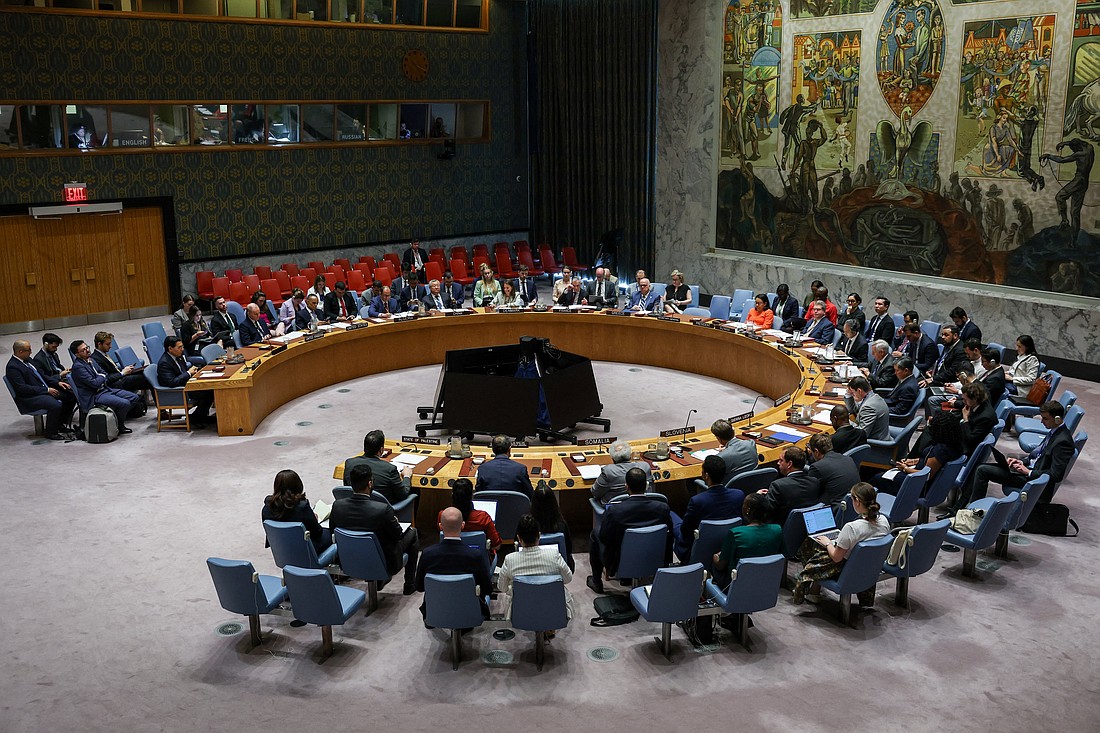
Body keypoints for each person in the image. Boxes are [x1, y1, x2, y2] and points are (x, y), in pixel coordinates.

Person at [950, 400, 1074, 512]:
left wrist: (1028, 472)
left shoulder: (1063, 441)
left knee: (982, 470)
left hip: (1033, 480)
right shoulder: (1054, 432)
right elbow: (1038, 456)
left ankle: (973, 512)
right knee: (981, 468)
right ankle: (968, 507)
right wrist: (1021, 462)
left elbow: (1056, 475)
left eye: (1045, 419)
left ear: (1057, 419)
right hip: (1027, 471)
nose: (1042, 422)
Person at [791, 482, 890, 604]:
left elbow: (836, 558)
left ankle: (809, 589)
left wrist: (828, 543)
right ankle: (814, 590)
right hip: (869, 565)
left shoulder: (851, 527)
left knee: (813, 544)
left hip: (846, 567)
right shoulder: (884, 521)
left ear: (857, 501)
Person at [329, 463, 420, 595]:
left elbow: (333, 531)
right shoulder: (382, 509)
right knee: (413, 532)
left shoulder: (337, 506)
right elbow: (398, 535)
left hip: (349, 560)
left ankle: (381, 580)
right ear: (370, 483)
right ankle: (409, 584)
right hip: (384, 562)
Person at [587, 467, 672, 594]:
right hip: (654, 556)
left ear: (626, 486)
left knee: (595, 534)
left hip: (620, 562)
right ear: (647, 485)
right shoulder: (662, 508)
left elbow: (604, 538)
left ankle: (597, 582)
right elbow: (669, 536)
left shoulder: (615, 511)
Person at [415, 506, 492, 624]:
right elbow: (487, 588)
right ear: (463, 525)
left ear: (440, 526)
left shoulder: (427, 554)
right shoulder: (475, 556)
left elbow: (419, 587)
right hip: (469, 612)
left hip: (435, 611)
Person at [498, 514, 575, 621]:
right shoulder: (554, 555)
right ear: (539, 536)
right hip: (553, 610)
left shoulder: (509, 560)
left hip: (522, 613)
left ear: (519, 538)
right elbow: (568, 579)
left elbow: (502, 587)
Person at [673, 455, 744, 561]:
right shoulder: (739, 495)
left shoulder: (697, 501)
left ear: (706, 475)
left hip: (696, 548)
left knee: (670, 514)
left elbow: (685, 530)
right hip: (724, 546)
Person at [876, 411, 964, 495]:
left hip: (917, 485)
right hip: (921, 479)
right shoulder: (955, 444)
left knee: (877, 478)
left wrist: (905, 468)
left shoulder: (940, 450)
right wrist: (913, 461)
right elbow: (930, 462)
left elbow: (925, 475)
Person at [69, 339, 144, 434]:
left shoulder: (91, 360)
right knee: (124, 403)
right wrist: (101, 376)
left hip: (104, 389)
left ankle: (114, 421)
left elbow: (103, 373)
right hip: (94, 395)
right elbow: (95, 383)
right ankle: (119, 426)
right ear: (77, 354)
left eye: (87, 347)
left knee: (134, 398)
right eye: (83, 350)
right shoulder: (78, 367)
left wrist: (101, 376)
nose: (87, 350)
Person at [712, 492, 783, 589]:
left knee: (713, 562)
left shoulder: (736, 533)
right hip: (765, 582)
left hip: (737, 585)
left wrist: (715, 556)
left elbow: (720, 565)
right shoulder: (777, 530)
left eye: (743, 504)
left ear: (748, 510)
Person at [6, 339, 71, 440]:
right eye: (29, 350)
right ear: (20, 352)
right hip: (29, 397)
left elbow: (42, 375)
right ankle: (51, 432)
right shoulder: (13, 367)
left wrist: (57, 382)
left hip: (42, 389)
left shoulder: (29, 360)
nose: (31, 352)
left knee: (70, 395)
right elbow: (22, 388)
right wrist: (46, 390)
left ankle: (59, 424)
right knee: (55, 404)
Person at [261, 469, 332, 556]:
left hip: (282, 548)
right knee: (331, 533)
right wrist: (314, 520)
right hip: (306, 549)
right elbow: (317, 533)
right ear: (298, 486)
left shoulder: (267, 507)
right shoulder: (302, 507)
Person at [343, 430, 413, 505]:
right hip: (384, 510)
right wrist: (406, 476)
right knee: (415, 491)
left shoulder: (349, 463)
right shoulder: (390, 469)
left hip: (356, 507)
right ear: (381, 450)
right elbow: (403, 495)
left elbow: (347, 487)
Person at [158, 336, 215, 426]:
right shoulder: (164, 363)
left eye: (182, 346)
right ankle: (198, 417)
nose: (182, 349)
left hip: (187, 385)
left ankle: (198, 416)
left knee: (210, 388)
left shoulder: (178, 357)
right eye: (179, 347)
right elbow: (172, 382)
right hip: (178, 392)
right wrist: (189, 373)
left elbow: (183, 372)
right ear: (170, 348)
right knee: (209, 392)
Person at [440, 478, 501, 561]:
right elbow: (496, 546)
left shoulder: (444, 515)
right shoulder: (483, 517)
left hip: (449, 560)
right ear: (471, 496)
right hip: (478, 563)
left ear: (452, 495)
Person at [757, 446, 821, 525]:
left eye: (781, 460)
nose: (778, 463)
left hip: (782, 528)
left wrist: (758, 497)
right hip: (807, 526)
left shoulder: (778, 486)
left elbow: (765, 513)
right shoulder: (815, 482)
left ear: (789, 464)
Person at [590, 440, 653, 506]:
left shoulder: (608, 471)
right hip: (643, 507)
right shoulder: (644, 467)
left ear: (613, 458)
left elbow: (595, 492)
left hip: (615, 510)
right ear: (630, 456)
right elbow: (651, 490)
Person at [807, 433, 861, 507]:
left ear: (816, 451)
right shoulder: (848, 458)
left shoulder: (817, 467)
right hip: (854, 505)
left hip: (834, 510)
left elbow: (810, 495)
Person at [530, 483, 575, 571]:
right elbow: (568, 549)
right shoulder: (561, 525)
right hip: (557, 568)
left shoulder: (526, 524)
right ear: (554, 502)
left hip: (531, 566)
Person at [710, 419, 758, 483]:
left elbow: (711, 480)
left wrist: (723, 453)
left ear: (718, 438)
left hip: (730, 489)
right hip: (754, 484)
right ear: (733, 431)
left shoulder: (721, 457)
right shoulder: (751, 443)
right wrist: (726, 450)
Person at [844, 376, 890, 440]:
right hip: (879, 434)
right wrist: (848, 394)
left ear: (859, 391)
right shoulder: (873, 397)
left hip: (875, 444)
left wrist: (845, 421)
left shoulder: (869, 407)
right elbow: (852, 409)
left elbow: (861, 434)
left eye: (853, 393)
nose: (853, 396)